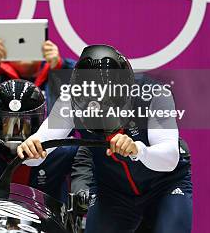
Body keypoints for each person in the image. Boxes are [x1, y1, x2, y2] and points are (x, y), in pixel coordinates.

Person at [17, 44, 193, 233]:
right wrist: (30, 149)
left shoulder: (154, 94)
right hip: (113, 192)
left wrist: (138, 150)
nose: (101, 109)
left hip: (164, 186)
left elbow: (170, 159)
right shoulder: (69, 100)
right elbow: (42, 146)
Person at [0, 79, 77, 202]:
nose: (15, 130)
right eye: (8, 122)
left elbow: (87, 162)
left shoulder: (62, 151)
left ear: (36, 123)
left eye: (23, 123)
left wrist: (81, 190)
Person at [0, 37, 75, 133]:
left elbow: (91, 96)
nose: (24, 47)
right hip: (3, 161)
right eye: (19, 43)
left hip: (54, 159)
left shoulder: (60, 79)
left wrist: (63, 68)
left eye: (30, 42)